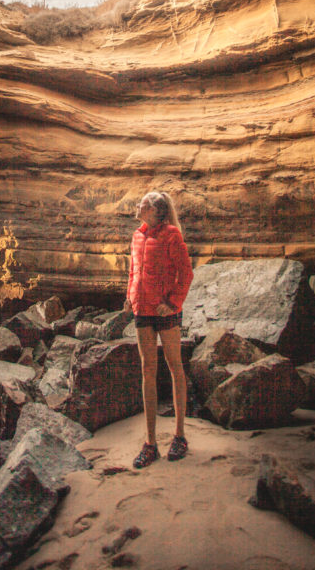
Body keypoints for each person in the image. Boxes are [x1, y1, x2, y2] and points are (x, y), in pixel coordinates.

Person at [124, 190, 194, 468]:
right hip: (142, 311)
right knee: (147, 371)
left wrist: (174, 302)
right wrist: (129, 296)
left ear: (156, 211)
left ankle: (179, 436)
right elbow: (134, 271)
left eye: (143, 204)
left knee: (175, 366)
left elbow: (186, 273)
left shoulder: (172, 235)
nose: (138, 206)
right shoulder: (137, 235)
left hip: (165, 312)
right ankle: (150, 443)